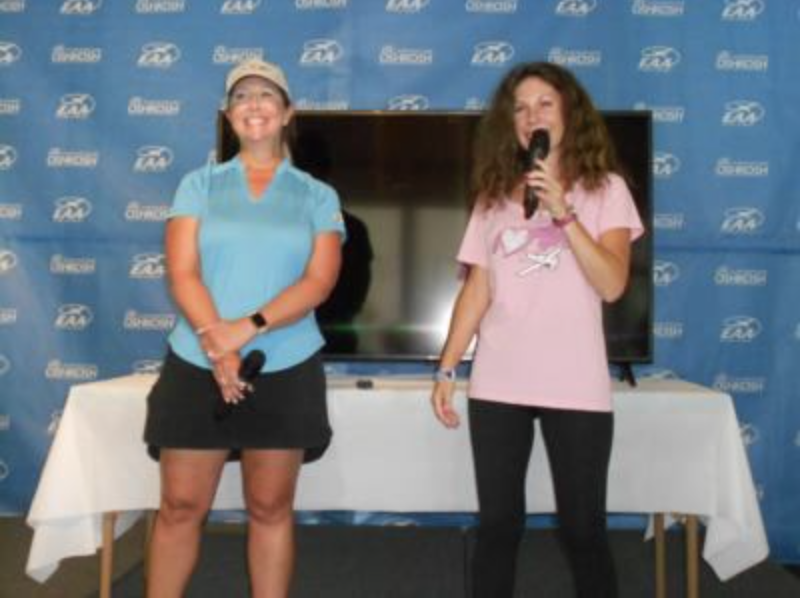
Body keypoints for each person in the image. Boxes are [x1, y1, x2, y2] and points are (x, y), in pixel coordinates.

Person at [430, 61, 644, 597]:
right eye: (521, 108)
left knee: (583, 528)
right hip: (499, 381)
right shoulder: (494, 196)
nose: (532, 117)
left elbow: (612, 283)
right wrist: (447, 367)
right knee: (498, 526)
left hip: (575, 381)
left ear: (570, 112)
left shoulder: (607, 189)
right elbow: (477, 289)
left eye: (544, 104)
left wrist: (563, 212)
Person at [143, 58, 345, 597]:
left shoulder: (317, 196)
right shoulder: (199, 185)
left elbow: (319, 282)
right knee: (180, 506)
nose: (253, 105)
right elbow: (183, 272)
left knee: (270, 507)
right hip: (198, 361)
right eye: (241, 97)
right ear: (229, 115)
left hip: (285, 365)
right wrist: (219, 345)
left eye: (266, 95)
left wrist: (246, 329)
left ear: (287, 113)